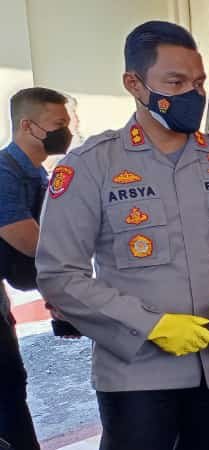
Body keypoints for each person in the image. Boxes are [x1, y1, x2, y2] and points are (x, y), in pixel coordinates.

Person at [35, 21, 209, 450]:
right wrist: (151, 326)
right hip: (137, 379)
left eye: (199, 83)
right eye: (175, 82)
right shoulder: (90, 167)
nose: (193, 94)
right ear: (134, 84)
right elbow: (60, 276)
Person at [0, 87, 72, 450]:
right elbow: (31, 243)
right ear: (28, 126)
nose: (68, 131)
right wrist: (67, 291)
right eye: (59, 124)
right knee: (6, 389)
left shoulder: (36, 175)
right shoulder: (3, 173)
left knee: (11, 385)